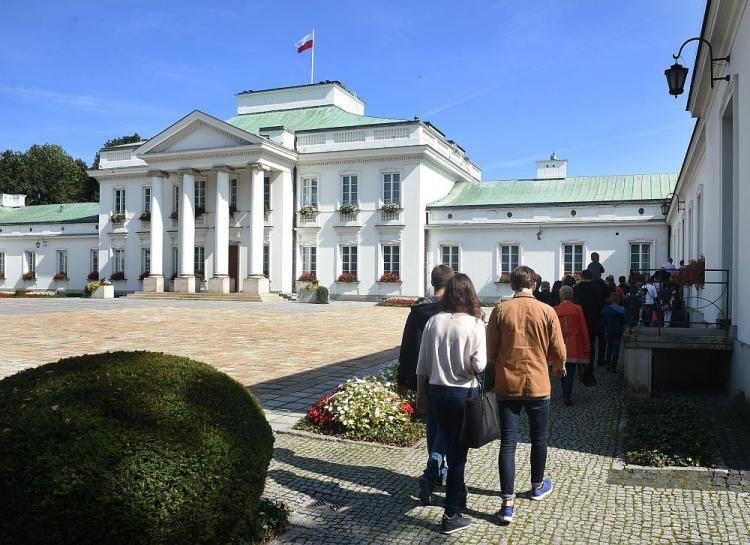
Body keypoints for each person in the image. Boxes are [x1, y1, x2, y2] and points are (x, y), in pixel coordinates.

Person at [486, 266, 566, 525]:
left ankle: (508, 504)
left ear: (512, 285)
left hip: (507, 384)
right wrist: (560, 367)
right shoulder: (547, 311)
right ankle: (537, 486)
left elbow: (490, 351)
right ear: (533, 284)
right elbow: (559, 348)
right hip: (538, 383)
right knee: (539, 437)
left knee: (508, 442)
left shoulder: (500, 310)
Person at [415, 273, 486, 534]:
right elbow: (479, 365)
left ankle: (456, 492)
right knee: (458, 456)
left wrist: (421, 393)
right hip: (462, 392)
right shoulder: (475, 324)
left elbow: (422, 363)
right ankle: (451, 514)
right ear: (469, 294)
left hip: (435, 390)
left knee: (443, 437)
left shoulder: (434, 321)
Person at [397, 264, 454, 505]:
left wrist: (402, 377)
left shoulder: (418, 311)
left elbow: (408, 344)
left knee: (433, 425)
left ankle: (436, 468)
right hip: (449, 376)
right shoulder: (453, 310)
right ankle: (438, 468)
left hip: (425, 377)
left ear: (433, 282)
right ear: (449, 284)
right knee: (448, 426)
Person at [554, 286, 590, 405]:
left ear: (561, 295)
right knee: (571, 369)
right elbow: (583, 327)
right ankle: (567, 394)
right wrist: (587, 344)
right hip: (574, 343)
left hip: (560, 343)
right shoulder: (577, 309)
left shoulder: (555, 309)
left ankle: (566, 392)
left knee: (562, 368)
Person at [574, 269, 608, 379]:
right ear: (591, 277)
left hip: (580, 320)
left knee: (580, 343)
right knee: (592, 343)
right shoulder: (597, 289)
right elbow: (602, 304)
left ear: (582, 277)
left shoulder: (576, 289)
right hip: (594, 319)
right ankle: (590, 366)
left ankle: (581, 366)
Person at [601, 292, 627, 372]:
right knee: (616, 349)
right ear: (619, 300)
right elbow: (625, 321)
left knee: (609, 347)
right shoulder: (622, 310)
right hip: (618, 332)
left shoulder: (606, 310)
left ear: (611, 300)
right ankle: (613, 366)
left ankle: (608, 364)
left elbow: (603, 319)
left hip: (608, 331)